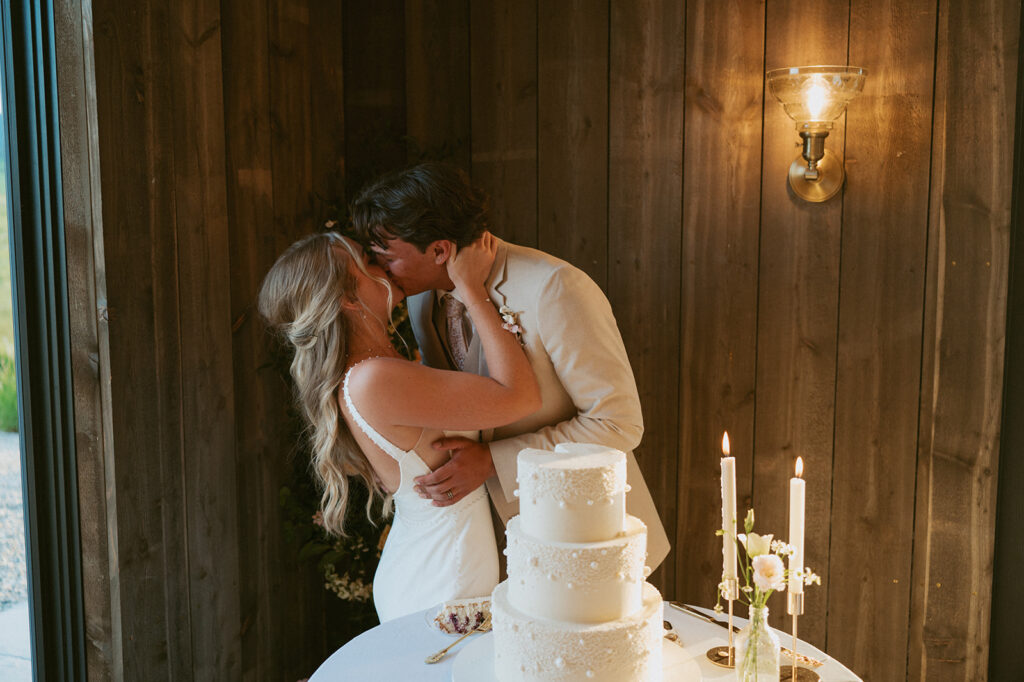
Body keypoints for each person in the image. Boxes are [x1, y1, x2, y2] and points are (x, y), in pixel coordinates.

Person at [350, 162, 670, 569]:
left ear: (439, 251)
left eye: (386, 258)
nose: (378, 272)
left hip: (582, 536)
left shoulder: (554, 287)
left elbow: (618, 424)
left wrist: (493, 461)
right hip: (489, 546)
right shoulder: (420, 298)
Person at [258, 230, 540, 622]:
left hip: (437, 562)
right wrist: (471, 288)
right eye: (367, 261)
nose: (383, 262)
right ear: (345, 297)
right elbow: (520, 397)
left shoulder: (373, 370)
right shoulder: (373, 379)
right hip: (443, 580)